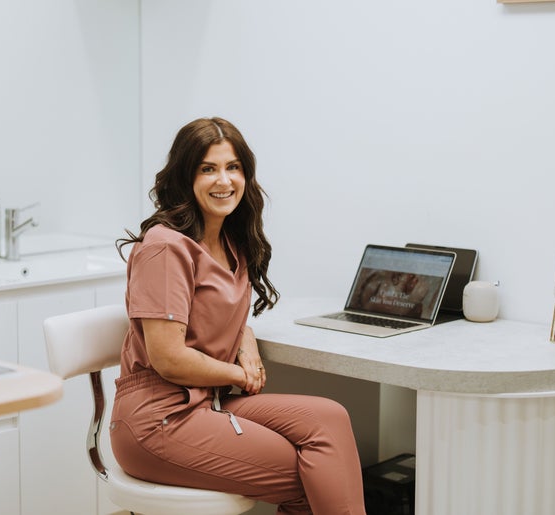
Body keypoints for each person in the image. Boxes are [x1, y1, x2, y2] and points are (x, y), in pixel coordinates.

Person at [111, 117, 366, 514]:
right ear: (185, 176)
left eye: (233, 167)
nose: (223, 180)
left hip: (205, 403)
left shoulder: (231, 242)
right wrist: (239, 375)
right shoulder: (165, 248)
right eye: (207, 169)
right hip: (157, 420)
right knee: (314, 471)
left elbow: (218, 312)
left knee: (330, 419)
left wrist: (246, 346)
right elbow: (168, 358)